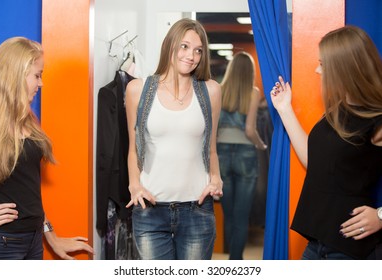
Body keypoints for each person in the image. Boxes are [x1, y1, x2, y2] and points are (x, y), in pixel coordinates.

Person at [271, 26, 382, 260]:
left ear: (344, 68)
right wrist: (284, 109)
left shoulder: (377, 120)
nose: (317, 70)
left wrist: (381, 216)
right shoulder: (337, 111)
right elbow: (315, 163)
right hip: (317, 242)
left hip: (350, 248)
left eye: (323, 64)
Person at [125, 18, 223, 260]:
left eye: (198, 50)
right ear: (170, 45)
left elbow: (211, 149)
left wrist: (216, 179)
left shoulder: (211, 90)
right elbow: (133, 149)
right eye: (185, 46)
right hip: (150, 212)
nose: (191, 55)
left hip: (197, 211)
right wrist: (134, 185)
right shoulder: (138, 89)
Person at [0, 37, 94, 260]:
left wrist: (51, 235)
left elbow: (28, 190)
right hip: (1, 243)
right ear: (16, 75)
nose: (41, 83)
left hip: (33, 240)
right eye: (37, 76)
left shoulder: (27, 120)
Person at [217, 51, 267, 259]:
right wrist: (261, 145)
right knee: (241, 215)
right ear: (250, 72)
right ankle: (235, 260)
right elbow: (249, 130)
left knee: (228, 214)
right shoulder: (253, 92)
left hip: (221, 153)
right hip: (245, 154)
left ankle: (232, 259)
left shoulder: (219, 90)